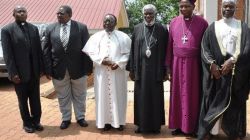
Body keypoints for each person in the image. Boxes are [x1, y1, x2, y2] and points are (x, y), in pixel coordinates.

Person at [198, 0, 250, 139]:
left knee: (235, 102)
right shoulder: (213, 27)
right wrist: (212, 65)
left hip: (235, 73)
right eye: (225, 6)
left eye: (231, 7)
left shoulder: (243, 27)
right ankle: (211, 131)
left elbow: (247, 48)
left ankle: (234, 131)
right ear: (221, 8)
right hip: (217, 74)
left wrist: (233, 61)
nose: (227, 9)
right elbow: (204, 48)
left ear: (235, 8)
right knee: (214, 101)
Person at [42, 5, 93, 129]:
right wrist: (47, 70)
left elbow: (87, 49)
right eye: (57, 13)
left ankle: (80, 117)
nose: (59, 15)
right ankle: (66, 118)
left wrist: (88, 68)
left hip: (78, 69)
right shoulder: (50, 28)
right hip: (58, 69)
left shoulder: (81, 27)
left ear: (70, 15)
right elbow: (46, 50)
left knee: (80, 95)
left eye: (62, 13)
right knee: (62, 95)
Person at [166, 0, 208, 136]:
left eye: (187, 6)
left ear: (193, 7)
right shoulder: (173, 22)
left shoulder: (202, 23)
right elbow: (169, 46)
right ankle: (178, 125)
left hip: (194, 66)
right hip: (177, 64)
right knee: (177, 95)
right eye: (181, 6)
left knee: (193, 96)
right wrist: (168, 66)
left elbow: (205, 46)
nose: (183, 8)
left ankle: (193, 127)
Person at [83, 14, 131, 131]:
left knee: (119, 96)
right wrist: (101, 60)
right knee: (102, 96)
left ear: (115, 23)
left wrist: (119, 63)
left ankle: (119, 122)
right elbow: (90, 52)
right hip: (102, 72)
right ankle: (106, 122)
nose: (107, 23)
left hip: (118, 72)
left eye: (110, 21)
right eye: (105, 21)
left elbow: (129, 53)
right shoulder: (96, 37)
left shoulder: (123, 37)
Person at [126, 4, 168, 134]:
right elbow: (132, 50)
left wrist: (166, 70)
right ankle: (140, 125)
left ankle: (156, 126)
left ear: (155, 14)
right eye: (146, 14)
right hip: (141, 70)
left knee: (156, 97)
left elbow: (167, 51)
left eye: (151, 14)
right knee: (141, 97)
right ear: (143, 14)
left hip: (156, 70)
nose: (148, 16)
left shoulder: (162, 29)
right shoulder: (138, 28)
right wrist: (132, 69)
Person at [1, 5, 44, 133]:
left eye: (24, 11)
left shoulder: (33, 29)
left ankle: (36, 121)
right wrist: (13, 73)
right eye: (19, 11)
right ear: (13, 14)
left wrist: (41, 69)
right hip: (19, 74)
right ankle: (27, 123)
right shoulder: (7, 30)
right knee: (23, 100)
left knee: (35, 99)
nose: (22, 13)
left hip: (34, 72)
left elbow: (38, 51)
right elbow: (8, 55)